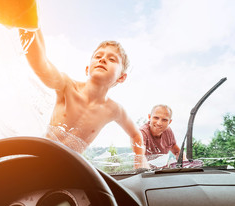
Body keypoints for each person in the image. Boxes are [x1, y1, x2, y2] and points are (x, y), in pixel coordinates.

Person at [19, 29, 149, 169]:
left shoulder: (114, 110)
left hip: (66, 169)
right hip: (37, 158)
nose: (103, 59)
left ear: (122, 77)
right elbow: (41, 64)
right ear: (87, 69)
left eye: (112, 59)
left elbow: (136, 135)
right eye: (98, 56)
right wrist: (29, 27)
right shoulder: (67, 86)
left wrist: (139, 163)